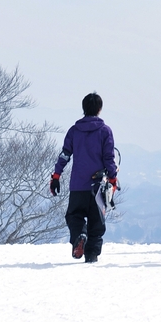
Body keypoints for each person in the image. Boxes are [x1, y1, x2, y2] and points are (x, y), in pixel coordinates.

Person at [50, 92, 118, 264]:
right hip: (97, 187)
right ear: (99, 109)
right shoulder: (105, 131)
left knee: (74, 215)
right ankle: (92, 256)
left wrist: (56, 176)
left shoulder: (74, 131)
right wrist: (113, 179)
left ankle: (80, 235)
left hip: (78, 185)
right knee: (96, 224)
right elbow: (108, 158)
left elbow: (65, 155)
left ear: (83, 108)